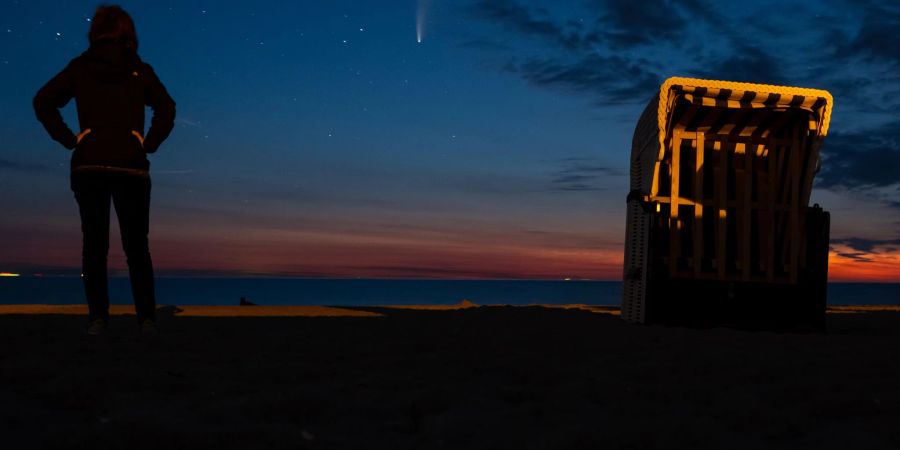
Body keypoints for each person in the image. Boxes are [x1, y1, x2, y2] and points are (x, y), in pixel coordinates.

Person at [33, 5, 176, 335]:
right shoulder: (139, 69)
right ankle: (146, 319)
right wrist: (147, 143)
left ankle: (98, 318)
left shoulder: (81, 68)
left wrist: (72, 139)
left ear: (95, 32)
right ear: (128, 33)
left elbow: (43, 101)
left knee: (94, 245)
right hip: (130, 167)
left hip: (90, 164)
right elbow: (167, 109)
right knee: (137, 246)